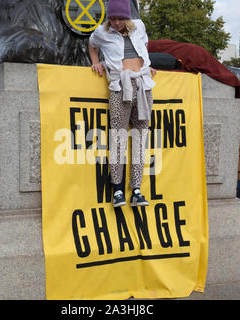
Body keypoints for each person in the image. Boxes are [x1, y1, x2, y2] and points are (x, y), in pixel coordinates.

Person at [88, 0, 156, 207]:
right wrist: (95, 62)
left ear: (127, 17)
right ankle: (117, 190)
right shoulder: (102, 32)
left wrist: (146, 64)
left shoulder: (139, 27)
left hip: (144, 86)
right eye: (113, 18)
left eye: (120, 18)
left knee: (140, 137)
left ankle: (136, 190)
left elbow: (143, 45)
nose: (116, 22)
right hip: (119, 87)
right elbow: (92, 45)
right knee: (118, 137)